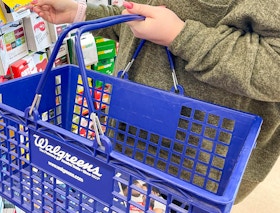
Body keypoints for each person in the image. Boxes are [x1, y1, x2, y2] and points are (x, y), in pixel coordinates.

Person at [31, 0, 280, 206]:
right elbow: (142, 18)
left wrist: (180, 35)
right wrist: (83, 13)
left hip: (199, 167)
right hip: (128, 144)